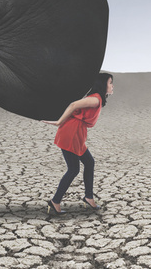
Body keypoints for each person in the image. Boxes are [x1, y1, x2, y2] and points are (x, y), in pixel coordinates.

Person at [42, 72, 114, 214]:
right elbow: (74, 104)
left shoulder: (98, 99)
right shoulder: (95, 99)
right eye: (110, 82)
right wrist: (59, 122)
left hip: (77, 133)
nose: (112, 86)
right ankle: (55, 202)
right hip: (72, 133)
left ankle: (89, 197)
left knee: (89, 162)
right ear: (103, 84)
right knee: (73, 169)